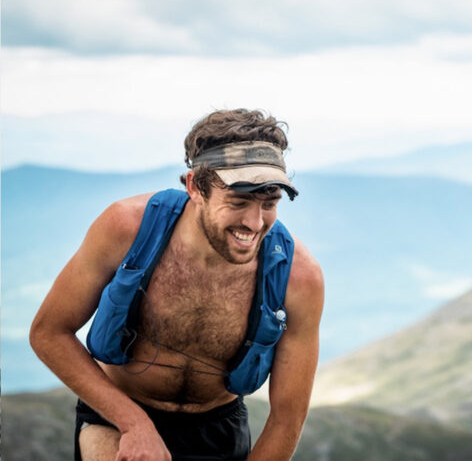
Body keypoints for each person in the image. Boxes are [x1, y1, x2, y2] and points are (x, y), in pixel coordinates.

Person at [29, 109, 324, 461]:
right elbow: (49, 332)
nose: (255, 222)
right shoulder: (126, 228)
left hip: (219, 428)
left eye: (269, 204)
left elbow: (287, 417)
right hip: (118, 413)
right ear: (194, 186)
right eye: (239, 201)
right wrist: (134, 425)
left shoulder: (298, 277)